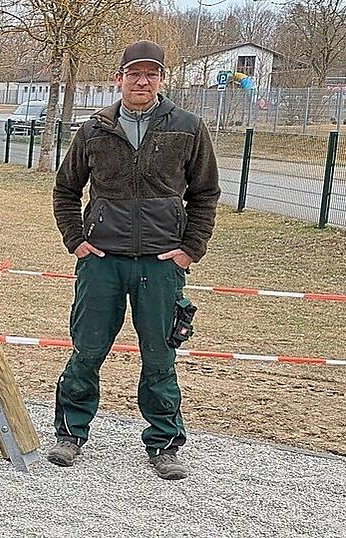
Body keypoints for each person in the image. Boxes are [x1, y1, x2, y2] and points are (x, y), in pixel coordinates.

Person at [48, 40, 221, 480]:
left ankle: (164, 443)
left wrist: (189, 249)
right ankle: (70, 434)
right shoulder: (94, 130)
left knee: (159, 356)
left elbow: (205, 194)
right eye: (134, 73)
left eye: (152, 73)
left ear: (162, 79)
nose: (142, 81)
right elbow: (66, 190)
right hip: (102, 260)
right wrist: (77, 240)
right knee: (86, 351)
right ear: (119, 77)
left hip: (162, 263)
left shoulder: (187, 127)